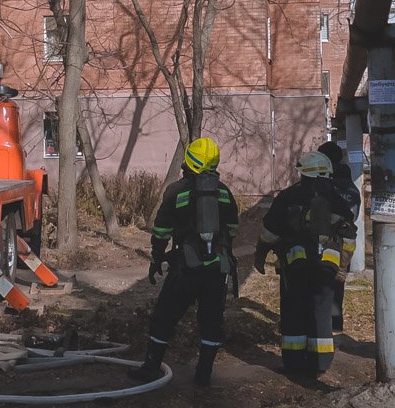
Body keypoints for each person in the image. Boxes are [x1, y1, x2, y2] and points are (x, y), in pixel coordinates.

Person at [127, 137, 240, 387]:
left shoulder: (177, 191)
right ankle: (204, 374)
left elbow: (161, 230)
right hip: (216, 270)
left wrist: (157, 258)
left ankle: (151, 367)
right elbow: (232, 227)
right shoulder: (223, 192)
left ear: (190, 161)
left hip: (185, 268)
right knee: (211, 321)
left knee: (165, 316)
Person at [254, 151, 355, 376]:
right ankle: (321, 363)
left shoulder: (288, 196)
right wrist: (342, 267)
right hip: (326, 266)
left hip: (294, 265)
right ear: (325, 172)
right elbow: (348, 236)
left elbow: (269, 232)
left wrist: (260, 255)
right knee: (321, 311)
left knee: (293, 311)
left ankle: (294, 363)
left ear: (304, 173)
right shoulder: (336, 199)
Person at [317, 141, 362, 332]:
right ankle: (335, 329)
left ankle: (320, 328)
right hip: (344, 246)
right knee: (337, 290)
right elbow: (353, 215)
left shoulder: (325, 185)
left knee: (318, 290)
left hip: (322, 244)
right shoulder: (351, 187)